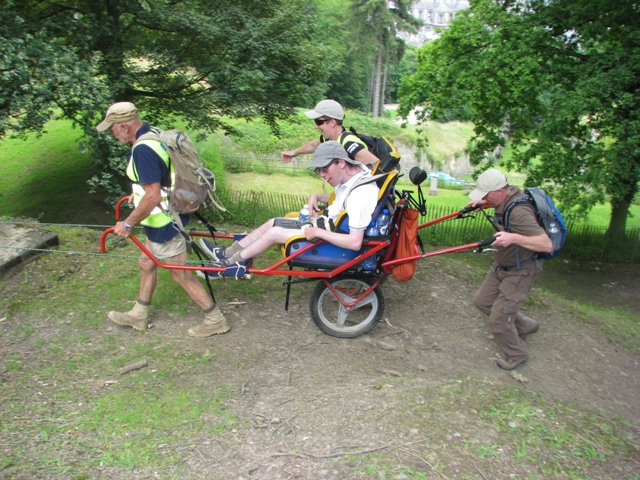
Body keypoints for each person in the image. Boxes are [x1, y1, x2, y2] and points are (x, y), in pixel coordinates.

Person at [96, 101, 230, 338]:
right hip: (169, 212)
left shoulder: (142, 150)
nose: (112, 134)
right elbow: (158, 180)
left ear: (125, 127)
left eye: (112, 129)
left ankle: (215, 319)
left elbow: (153, 195)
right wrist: (136, 195)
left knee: (181, 273)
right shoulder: (153, 134)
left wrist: (128, 223)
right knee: (146, 262)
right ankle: (139, 315)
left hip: (166, 221)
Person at [200, 141, 379, 267]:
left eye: (325, 169)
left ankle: (230, 264)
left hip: (328, 237)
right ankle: (227, 253)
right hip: (325, 225)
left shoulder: (360, 193)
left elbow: (355, 242)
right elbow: (340, 198)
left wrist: (317, 232)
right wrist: (315, 195)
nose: (322, 175)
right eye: (319, 171)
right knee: (273, 222)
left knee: (274, 233)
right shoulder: (351, 176)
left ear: (340, 162)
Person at [466, 168, 553, 370]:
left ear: (499, 191)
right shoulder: (507, 196)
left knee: (499, 316)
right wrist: (484, 203)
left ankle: (517, 354)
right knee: (483, 302)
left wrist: (513, 238)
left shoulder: (520, 213)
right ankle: (525, 326)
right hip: (503, 265)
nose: (485, 198)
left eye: (486, 195)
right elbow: (499, 206)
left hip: (521, 270)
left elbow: (546, 244)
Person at [281, 99, 379, 167]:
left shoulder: (348, 143)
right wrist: (295, 152)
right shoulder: (329, 139)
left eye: (319, 122)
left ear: (332, 122)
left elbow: (379, 167)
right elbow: (313, 145)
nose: (316, 126)